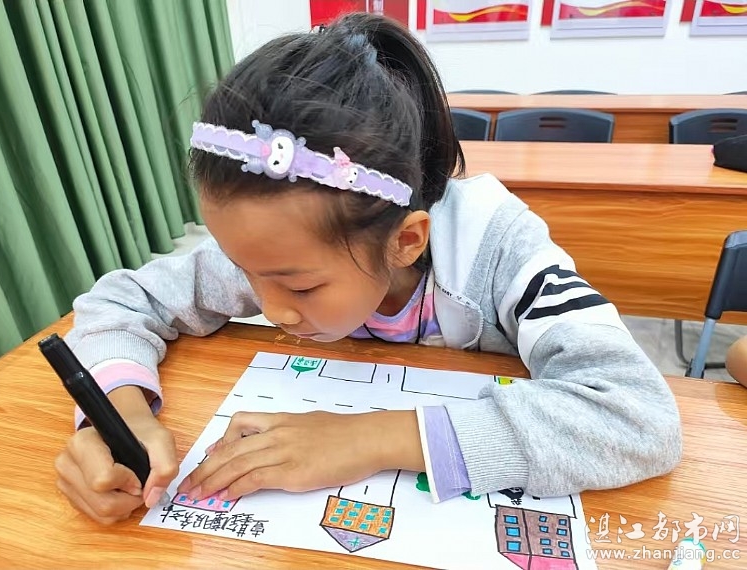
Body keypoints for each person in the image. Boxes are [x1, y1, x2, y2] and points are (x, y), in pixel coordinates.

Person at [55, 13, 682, 525]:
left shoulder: (499, 253)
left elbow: (638, 416)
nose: (270, 307)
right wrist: (123, 411)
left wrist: (375, 438)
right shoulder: (274, 248)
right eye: (246, 271)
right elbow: (122, 300)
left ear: (407, 241)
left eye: (301, 285)